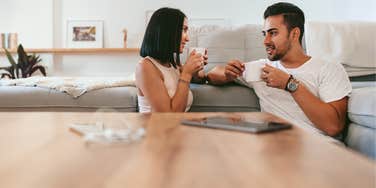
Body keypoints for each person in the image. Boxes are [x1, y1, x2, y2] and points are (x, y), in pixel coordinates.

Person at [206, 2, 352, 137]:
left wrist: (290, 85)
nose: (266, 41)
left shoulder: (329, 69)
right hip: (273, 145)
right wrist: (227, 73)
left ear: (294, 34)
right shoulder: (260, 69)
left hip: (318, 146)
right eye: (265, 34)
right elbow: (211, 73)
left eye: (273, 33)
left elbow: (333, 126)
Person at [136, 7, 207, 113]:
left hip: (178, 128)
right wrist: (187, 73)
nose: (187, 38)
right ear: (167, 31)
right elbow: (168, 117)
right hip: (157, 129)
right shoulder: (145, 67)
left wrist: (195, 70)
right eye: (183, 30)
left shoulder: (173, 64)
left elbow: (199, 79)